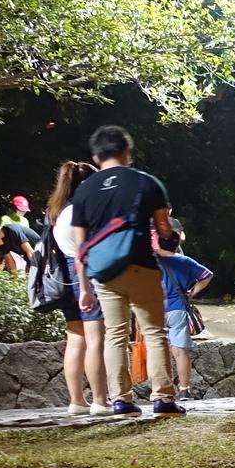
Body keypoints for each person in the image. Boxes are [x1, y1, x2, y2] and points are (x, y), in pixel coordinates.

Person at [69, 126, 183, 417]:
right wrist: (170, 238)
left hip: (103, 272)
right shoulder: (146, 183)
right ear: (126, 152)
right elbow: (164, 228)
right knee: (155, 332)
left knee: (115, 335)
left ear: (96, 157)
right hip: (140, 264)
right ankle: (163, 399)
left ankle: (121, 400)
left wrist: (84, 287)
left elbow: (80, 247)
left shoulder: (84, 190)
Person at [47, 161, 107, 415]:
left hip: (67, 277)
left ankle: (76, 401)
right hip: (86, 275)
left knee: (76, 340)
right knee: (96, 340)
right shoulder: (82, 212)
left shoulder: (58, 213)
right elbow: (86, 251)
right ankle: (101, 401)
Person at [156, 232, 213, 401]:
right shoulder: (184, 260)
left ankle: (162, 391)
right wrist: (193, 291)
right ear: (176, 244)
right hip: (178, 309)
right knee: (180, 352)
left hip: (156, 310)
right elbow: (207, 275)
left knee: (159, 350)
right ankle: (184, 390)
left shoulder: (151, 261)